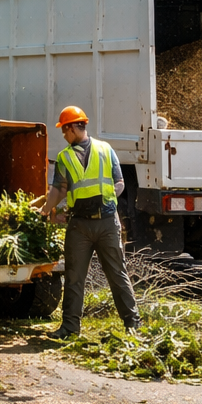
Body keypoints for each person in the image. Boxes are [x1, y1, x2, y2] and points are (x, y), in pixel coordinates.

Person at [41, 105, 140, 338]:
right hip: (80, 225)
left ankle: (133, 324)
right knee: (74, 276)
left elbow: (119, 183)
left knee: (117, 274)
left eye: (64, 131)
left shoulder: (105, 150)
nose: (64, 135)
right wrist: (46, 210)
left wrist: (106, 199)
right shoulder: (65, 157)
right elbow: (60, 189)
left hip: (106, 222)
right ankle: (69, 328)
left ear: (73, 127)